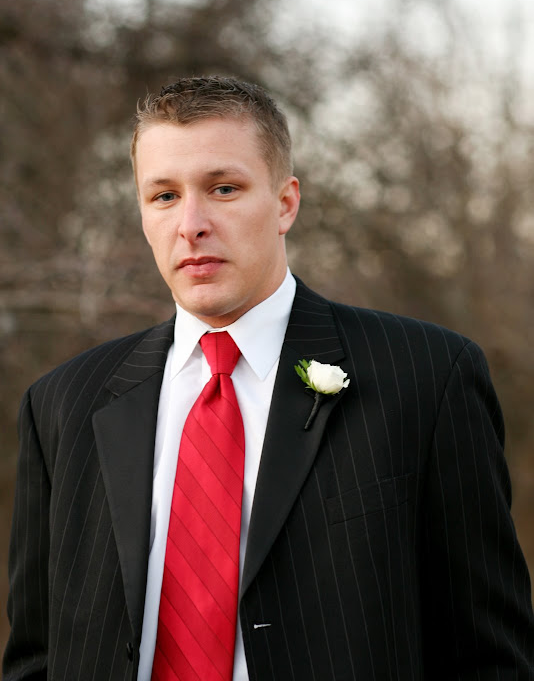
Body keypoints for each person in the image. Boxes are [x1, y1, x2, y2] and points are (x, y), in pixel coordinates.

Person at [3, 76, 534, 681]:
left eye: (223, 188)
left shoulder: (426, 376)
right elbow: (35, 659)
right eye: (164, 195)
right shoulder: (62, 404)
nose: (191, 223)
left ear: (285, 203)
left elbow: (490, 657)